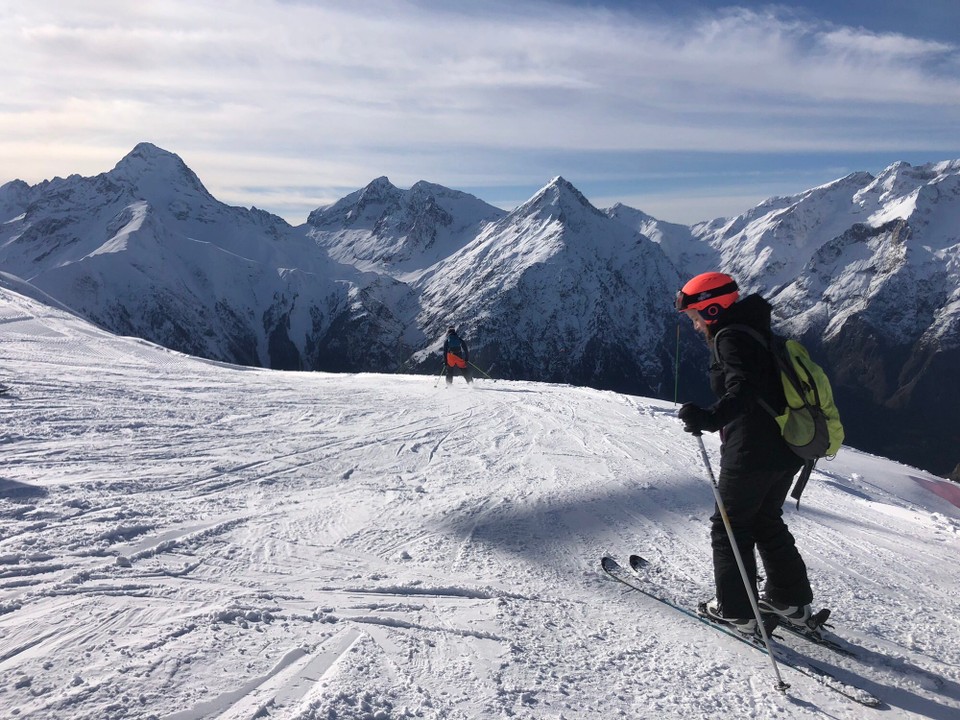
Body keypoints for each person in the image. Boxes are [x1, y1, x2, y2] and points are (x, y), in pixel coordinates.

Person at [675, 271, 813, 635]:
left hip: (751, 450)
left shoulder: (730, 337)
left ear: (713, 309)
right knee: (765, 518)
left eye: (694, 317)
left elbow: (744, 389)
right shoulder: (757, 329)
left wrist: (708, 418)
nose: (693, 325)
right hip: (788, 446)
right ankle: (791, 601)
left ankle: (737, 610)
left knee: (729, 527)